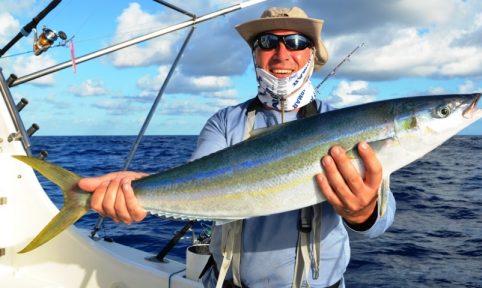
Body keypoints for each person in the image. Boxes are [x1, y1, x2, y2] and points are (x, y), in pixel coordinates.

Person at [78, 6, 395, 288]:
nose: (282, 54)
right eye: (268, 43)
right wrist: (140, 191)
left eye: (296, 43)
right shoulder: (225, 122)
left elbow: (381, 220)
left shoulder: (344, 124)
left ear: (313, 54)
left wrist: (364, 212)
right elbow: (199, 181)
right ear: (255, 55)